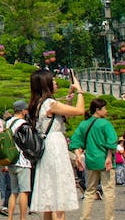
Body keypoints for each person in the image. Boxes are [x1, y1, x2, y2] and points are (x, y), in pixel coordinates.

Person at [28, 69, 84, 220]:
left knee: (50, 198)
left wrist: (69, 98)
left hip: (47, 148)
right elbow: (80, 111)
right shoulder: (50, 103)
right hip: (55, 148)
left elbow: (65, 115)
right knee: (59, 196)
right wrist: (80, 92)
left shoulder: (39, 103)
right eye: (52, 80)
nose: (55, 82)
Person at [69, 99, 118, 220]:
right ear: (98, 110)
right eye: (104, 108)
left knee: (90, 191)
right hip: (105, 161)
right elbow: (112, 142)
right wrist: (109, 157)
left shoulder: (84, 124)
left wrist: (78, 155)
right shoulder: (105, 124)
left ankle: (85, 217)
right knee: (108, 191)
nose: (106, 111)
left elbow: (74, 141)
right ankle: (109, 217)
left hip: (91, 161)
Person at [4, 101, 32, 220]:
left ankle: (10, 217)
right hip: (23, 160)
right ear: (23, 110)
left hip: (11, 159)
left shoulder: (8, 123)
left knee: (13, 192)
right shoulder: (23, 123)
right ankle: (22, 218)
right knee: (24, 191)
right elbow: (28, 142)